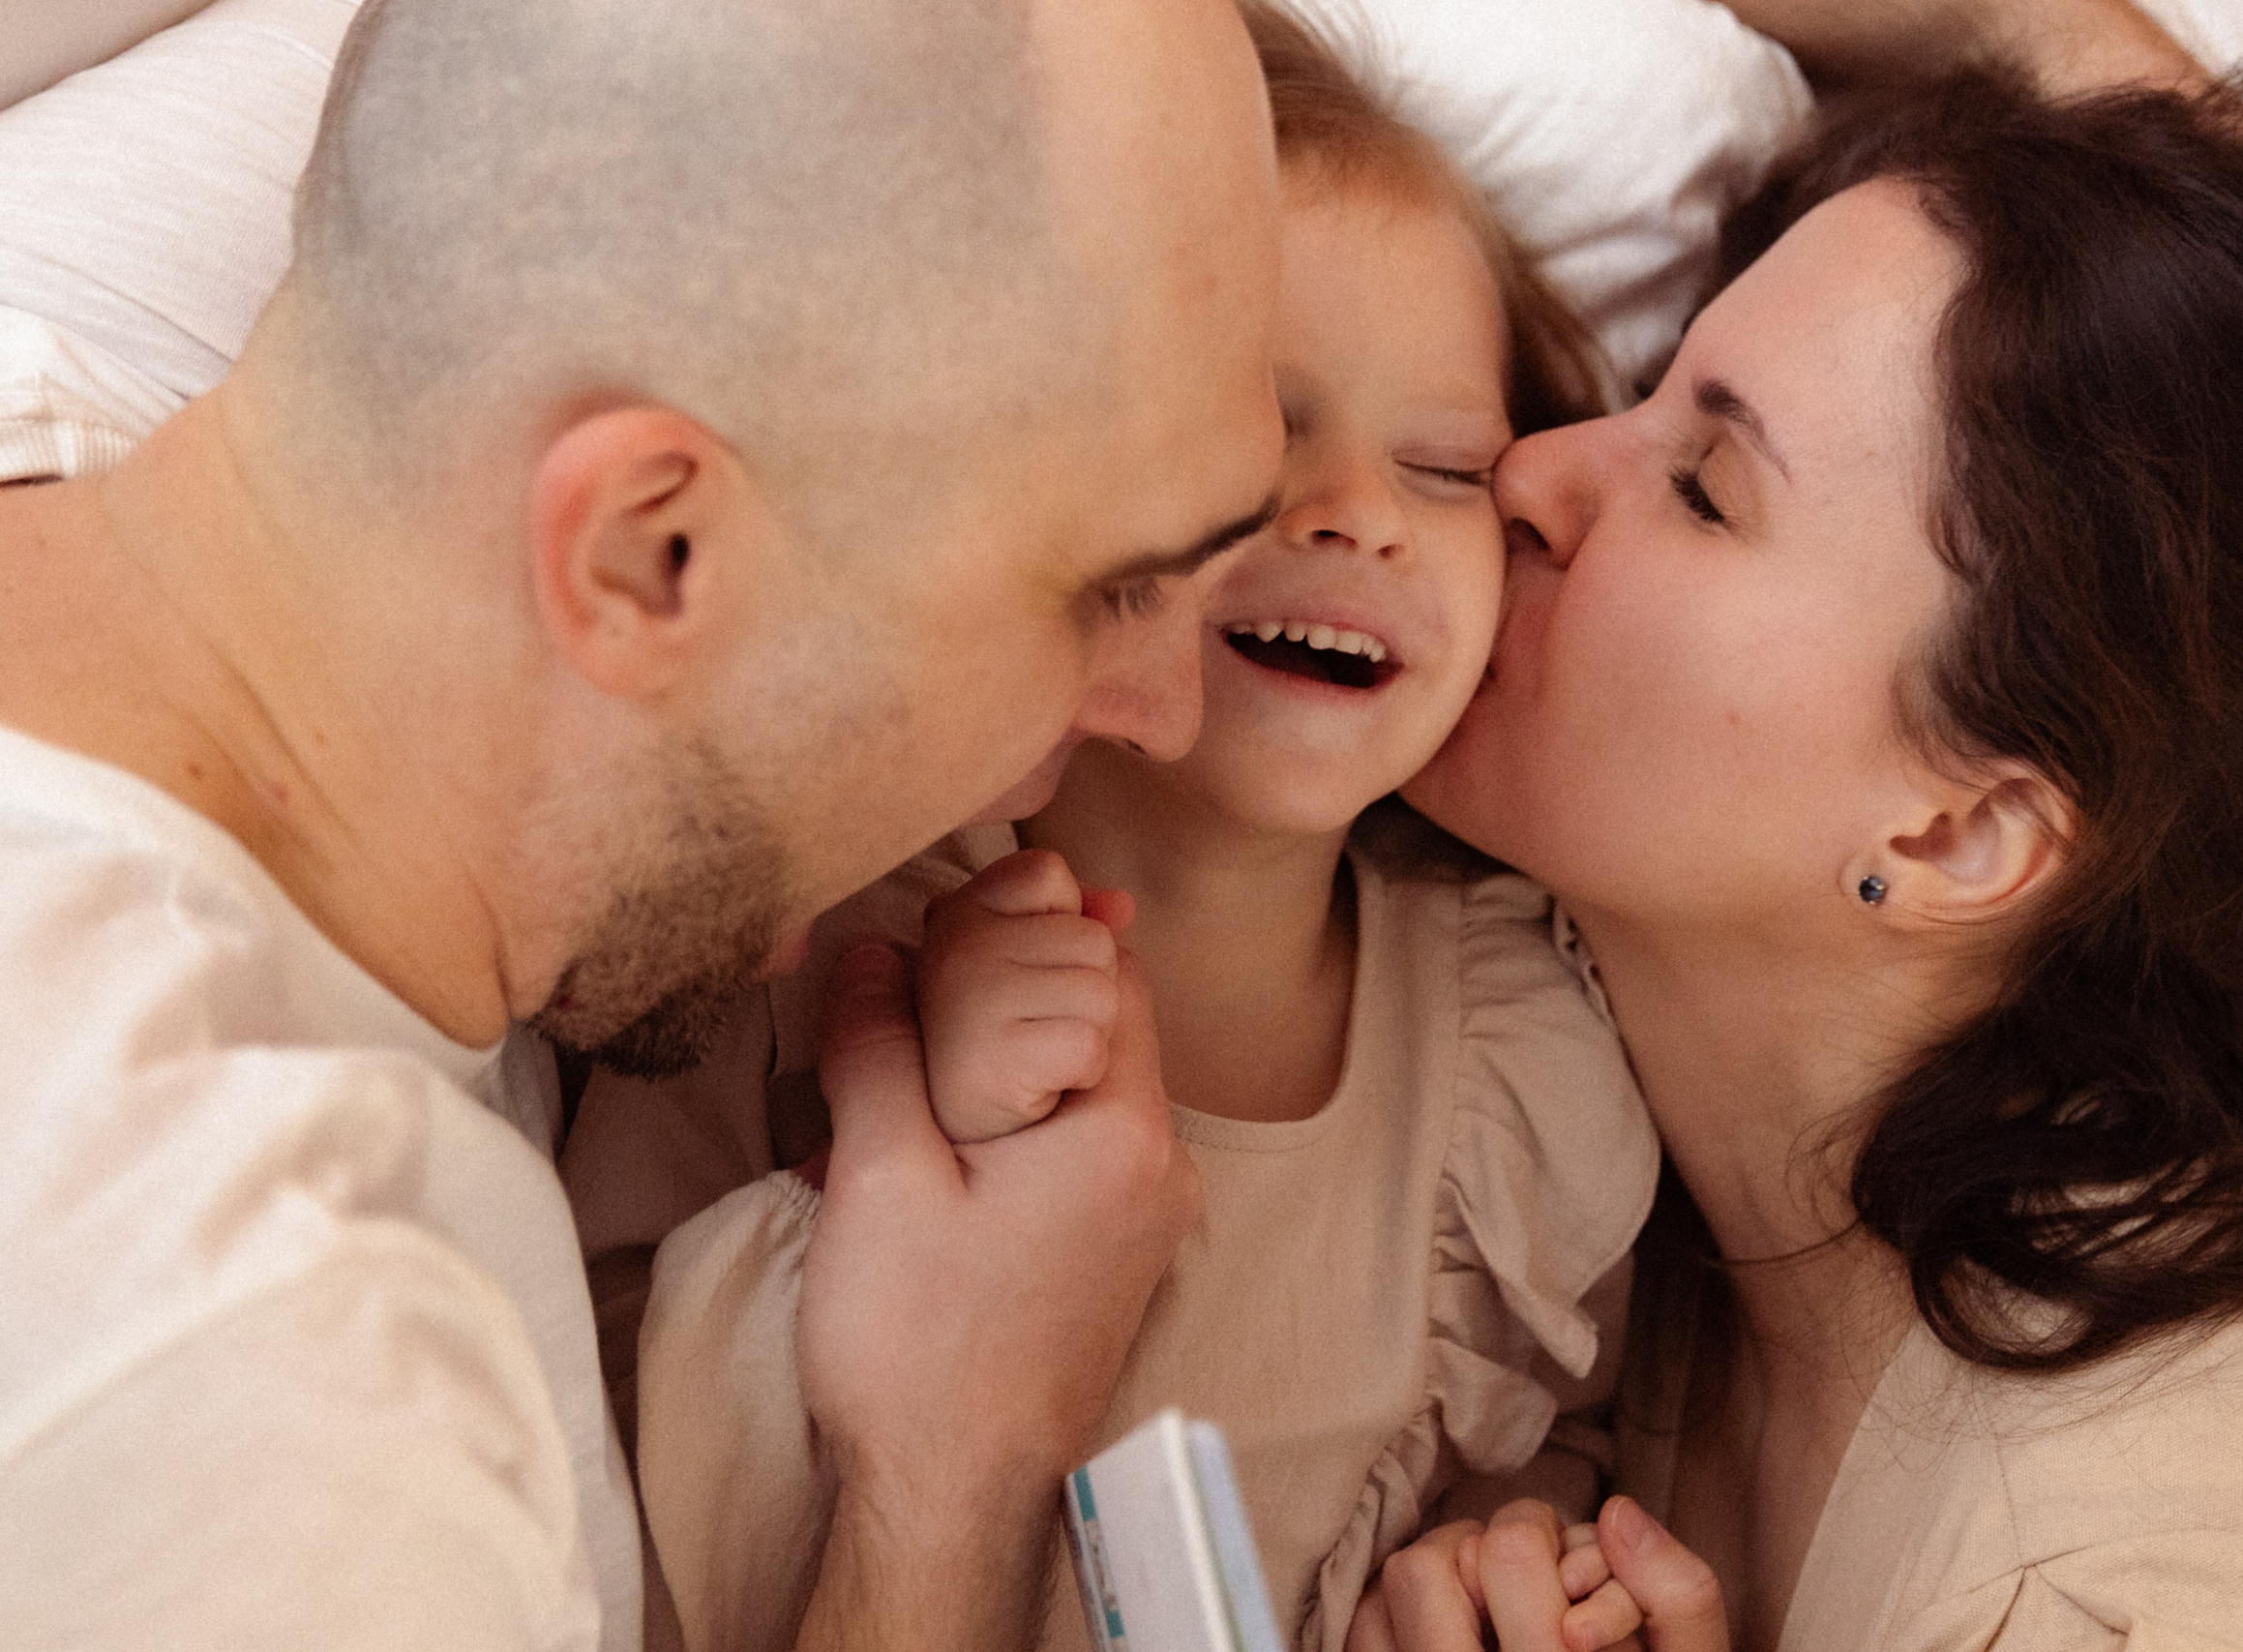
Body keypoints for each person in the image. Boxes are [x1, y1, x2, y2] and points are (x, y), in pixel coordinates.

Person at [0, 0, 1287, 1644]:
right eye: (1109, 587)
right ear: (649, 556)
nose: (1164, 714)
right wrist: (951, 1470)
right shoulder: (283, 1413)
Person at [556, 14, 1660, 1649]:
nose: (1360, 514)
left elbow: (1547, 1450)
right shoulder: (824, 940)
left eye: (1443, 468)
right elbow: (595, 1403)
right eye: (1263, 441)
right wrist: (881, 1162)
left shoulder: (1519, 1064)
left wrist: (1507, 1580)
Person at [1364, 65, 2243, 1652]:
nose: (1534, 476)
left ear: (1962, 834)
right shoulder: (1636, 1236)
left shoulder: (2162, 1603)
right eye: (1651, 387)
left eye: (1701, 491)